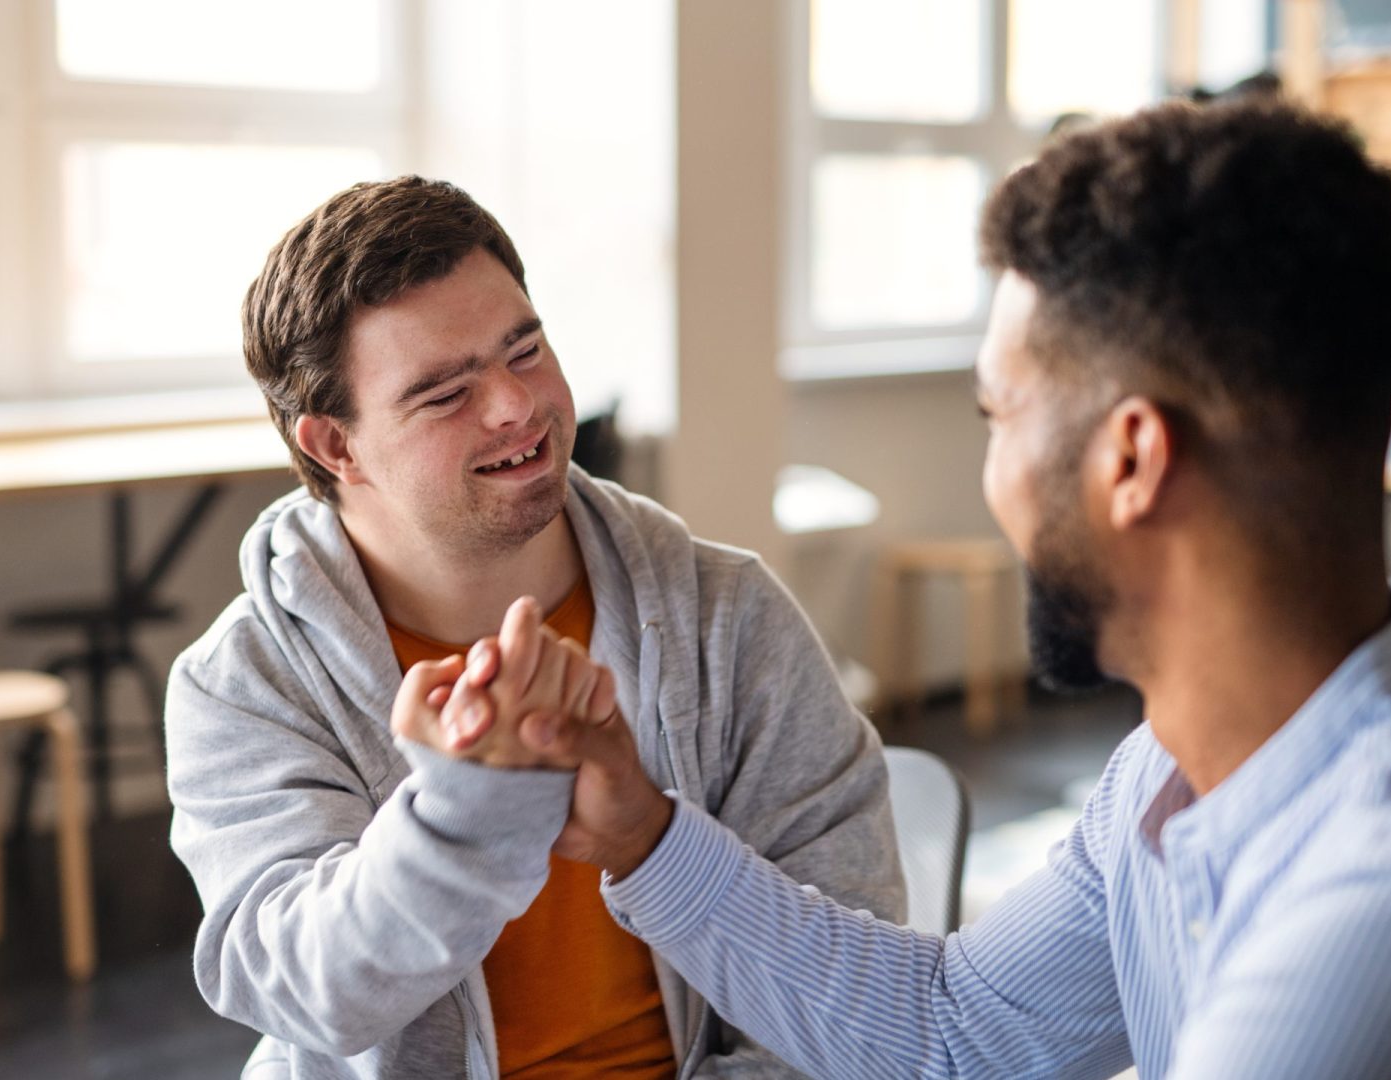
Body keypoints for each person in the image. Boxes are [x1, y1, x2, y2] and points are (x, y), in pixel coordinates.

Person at [415, 101, 1391, 1078]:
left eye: (997, 418)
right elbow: (959, 1036)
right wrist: (643, 831)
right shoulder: (1180, 763)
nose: (990, 472)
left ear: (1130, 461)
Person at [164, 175, 905, 1079]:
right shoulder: (245, 679)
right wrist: (468, 812)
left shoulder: (730, 615)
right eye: (443, 393)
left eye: (525, 349)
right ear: (335, 445)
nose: (515, 406)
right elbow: (305, 990)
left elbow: (851, 987)